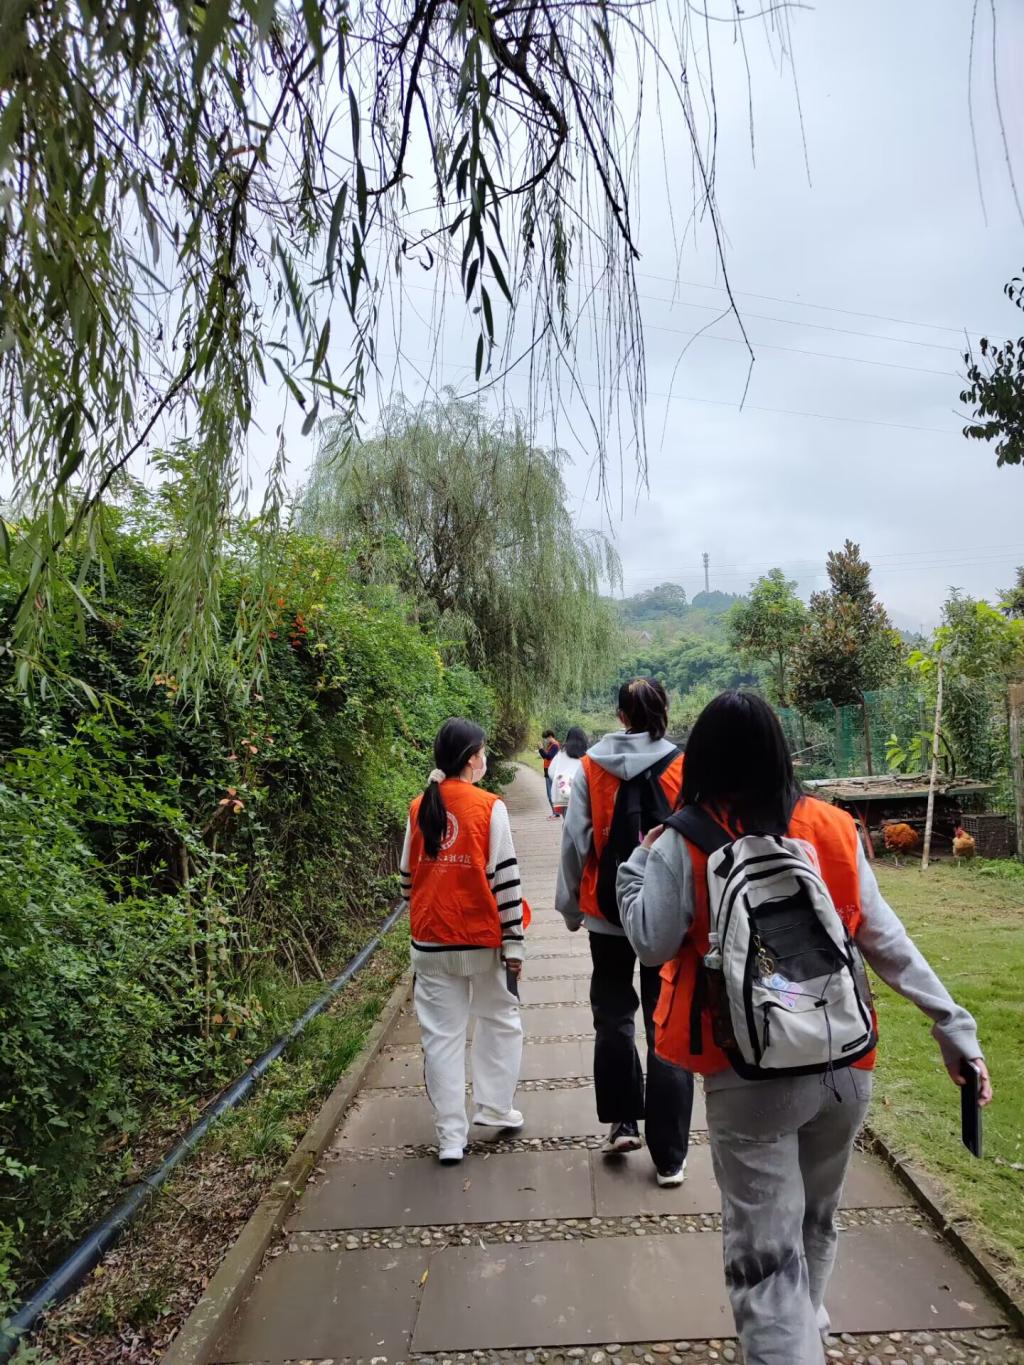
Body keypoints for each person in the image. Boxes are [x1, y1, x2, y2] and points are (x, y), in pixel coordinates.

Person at [617, 690, 992, 1364]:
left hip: (748, 1070)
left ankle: (789, 1346)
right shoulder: (832, 826)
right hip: (844, 1061)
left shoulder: (682, 839)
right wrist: (953, 1025)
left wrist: (636, 864)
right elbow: (885, 940)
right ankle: (806, 1334)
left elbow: (650, 941)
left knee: (765, 1264)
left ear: (702, 758)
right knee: (817, 1220)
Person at [555, 679, 694, 1186]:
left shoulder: (592, 767)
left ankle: (622, 1124)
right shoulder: (683, 765)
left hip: (607, 912)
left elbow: (576, 841)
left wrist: (571, 907)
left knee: (613, 1016)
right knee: (666, 1022)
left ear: (619, 715)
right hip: (667, 916)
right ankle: (670, 1155)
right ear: (665, 709)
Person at [400, 717, 528, 1164]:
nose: (484, 757)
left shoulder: (419, 807)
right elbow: (506, 881)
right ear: (473, 758)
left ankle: (451, 1138)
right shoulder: (490, 807)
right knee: (501, 1020)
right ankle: (494, 1107)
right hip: (481, 940)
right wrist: (514, 943)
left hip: (431, 942)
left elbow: (406, 880)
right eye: (483, 751)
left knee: (441, 1039)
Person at [547, 725, 588, 818]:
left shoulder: (561, 754)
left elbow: (551, 772)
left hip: (564, 794)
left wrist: (560, 779)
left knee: (567, 821)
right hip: (581, 794)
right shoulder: (587, 756)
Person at [538, 729, 561, 818]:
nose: (545, 740)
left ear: (550, 737)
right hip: (548, 771)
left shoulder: (555, 745)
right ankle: (556, 812)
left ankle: (555, 813)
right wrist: (541, 750)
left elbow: (549, 756)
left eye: (546, 738)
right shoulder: (551, 745)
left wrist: (541, 749)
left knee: (550, 793)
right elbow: (545, 756)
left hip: (551, 771)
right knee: (551, 793)